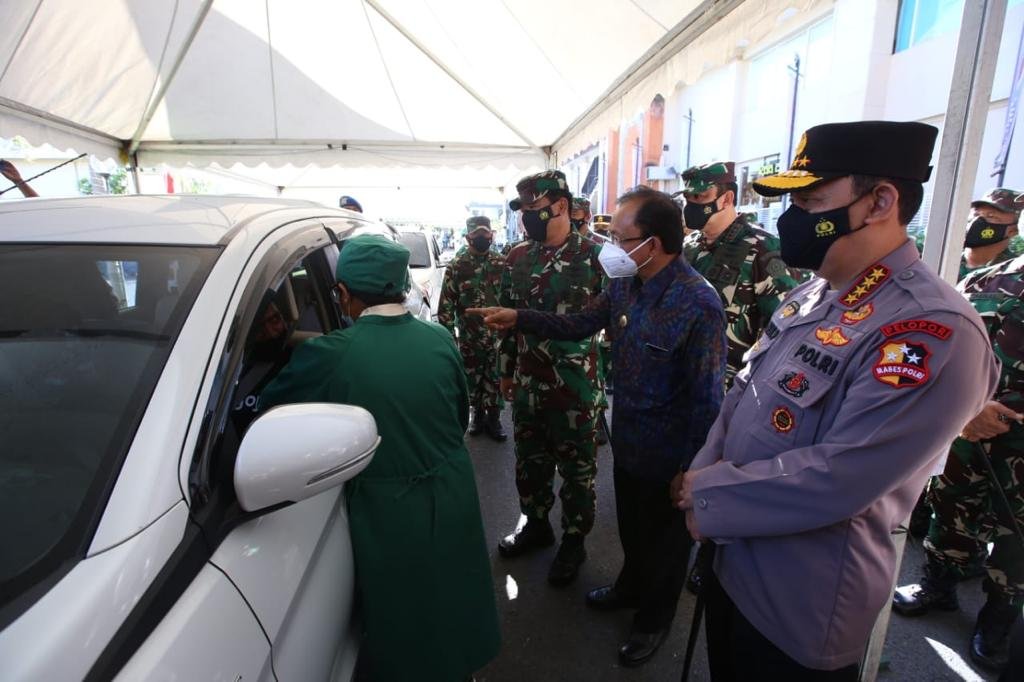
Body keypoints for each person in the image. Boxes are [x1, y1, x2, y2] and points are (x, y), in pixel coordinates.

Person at [672, 120, 999, 680]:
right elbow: (745, 395)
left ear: (881, 201)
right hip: (733, 555)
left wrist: (708, 493)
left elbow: (844, 475)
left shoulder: (928, 329)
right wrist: (702, 475)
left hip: (801, 601)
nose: (792, 217)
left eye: (812, 199)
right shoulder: (814, 291)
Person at [470, 186, 726, 666]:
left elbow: (708, 399)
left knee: (667, 545)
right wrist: (519, 317)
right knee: (632, 525)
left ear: (653, 242)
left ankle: (653, 619)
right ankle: (631, 587)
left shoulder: (699, 303)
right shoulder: (626, 285)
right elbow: (579, 324)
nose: (611, 245)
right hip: (628, 437)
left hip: (671, 453)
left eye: (620, 236)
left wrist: (692, 468)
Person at [259, 234, 500, 682]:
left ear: (345, 294)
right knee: (453, 586)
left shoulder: (329, 355)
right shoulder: (439, 337)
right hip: (451, 486)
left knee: (405, 610)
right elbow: (456, 409)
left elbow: (264, 409)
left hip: (390, 506)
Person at [893, 249, 1024, 672]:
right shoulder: (988, 280)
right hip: (968, 434)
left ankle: (999, 617)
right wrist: (971, 407)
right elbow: (943, 346)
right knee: (950, 506)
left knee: (1017, 536)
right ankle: (939, 583)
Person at [495, 170, 604, 587]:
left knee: (578, 472)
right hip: (528, 383)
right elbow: (507, 319)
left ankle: (574, 541)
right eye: (523, 209)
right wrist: (507, 371)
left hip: (575, 386)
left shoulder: (598, 256)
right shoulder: (518, 257)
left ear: (561, 206)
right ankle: (536, 524)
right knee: (530, 462)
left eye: (535, 208)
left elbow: (619, 321)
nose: (527, 217)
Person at [680, 161, 804, 387]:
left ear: (726, 199)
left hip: (731, 388)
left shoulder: (763, 248)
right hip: (682, 382)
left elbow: (783, 323)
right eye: (688, 199)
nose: (691, 205)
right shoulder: (689, 247)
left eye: (700, 197)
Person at [437, 215, 507, 442]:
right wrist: (448, 339)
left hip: (497, 335)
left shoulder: (502, 263)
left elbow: (512, 299)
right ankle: (477, 415)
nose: (481, 238)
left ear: (491, 235)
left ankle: (494, 418)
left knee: (495, 377)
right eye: (476, 235)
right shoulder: (457, 266)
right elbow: (446, 303)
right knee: (473, 378)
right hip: (470, 336)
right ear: (468, 237)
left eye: (485, 234)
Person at [959, 188, 1021, 280]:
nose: (977, 221)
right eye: (976, 214)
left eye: (991, 216)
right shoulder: (940, 259)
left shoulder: (1015, 272)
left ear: (1014, 230)